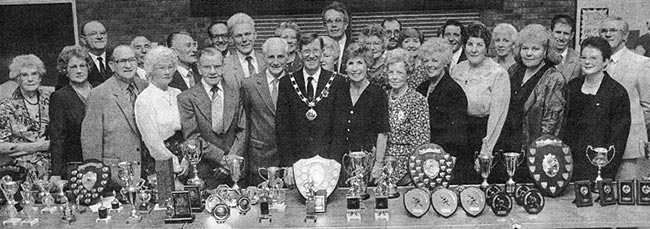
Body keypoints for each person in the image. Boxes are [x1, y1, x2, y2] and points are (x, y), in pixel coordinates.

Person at [493, 24, 566, 183]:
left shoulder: (554, 78)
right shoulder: (513, 70)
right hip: (506, 145)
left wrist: (537, 154)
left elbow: (552, 123)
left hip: (532, 150)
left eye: (535, 49)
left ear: (545, 51)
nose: (529, 53)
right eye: (525, 48)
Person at [561, 37, 630, 181]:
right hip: (570, 165)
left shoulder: (617, 92)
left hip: (599, 167)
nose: (587, 62)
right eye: (584, 57)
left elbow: (618, 138)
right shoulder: (573, 86)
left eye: (593, 58)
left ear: (605, 62)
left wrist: (606, 173)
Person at [178, 47, 247, 189]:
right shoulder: (187, 98)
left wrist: (232, 161)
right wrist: (222, 159)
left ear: (223, 66)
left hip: (235, 171)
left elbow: (242, 130)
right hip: (205, 173)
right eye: (207, 67)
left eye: (217, 66)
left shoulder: (235, 93)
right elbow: (193, 137)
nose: (213, 71)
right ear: (199, 68)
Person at [451, 22, 510, 184]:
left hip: (485, 135)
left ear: (486, 48)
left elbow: (498, 116)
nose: (474, 49)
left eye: (479, 45)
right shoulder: (457, 69)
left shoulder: (498, 73)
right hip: (461, 137)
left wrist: (486, 151)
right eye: (470, 44)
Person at [82, 45, 150, 182]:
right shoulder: (98, 94)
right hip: (116, 174)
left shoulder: (145, 87)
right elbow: (91, 141)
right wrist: (96, 177)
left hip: (147, 170)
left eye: (132, 60)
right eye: (122, 61)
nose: (128, 65)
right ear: (112, 66)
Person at [276, 33, 346, 166]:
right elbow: (282, 128)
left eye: (315, 51)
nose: (311, 55)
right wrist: (289, 165)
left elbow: (339, 127)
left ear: (322, 52)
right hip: (297, 161)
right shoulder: (287, 83)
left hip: (328, 160)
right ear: (300, 53)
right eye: (306, 51)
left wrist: (334, 162)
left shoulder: (337, 82)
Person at [600, 16, 650, 180]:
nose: (608, 34)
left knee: (626, 195)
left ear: (625, 36)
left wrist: (626, 128)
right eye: (604, 31)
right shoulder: (594, 62)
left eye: (613, 30)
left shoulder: (641, 63)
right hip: (599, 145)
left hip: (629, 147)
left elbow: (647, 106)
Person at [331, 43, 389, 182]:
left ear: (367, 65)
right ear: (345, 67)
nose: (355, 68)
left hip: (366, 163)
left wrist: (378, 164)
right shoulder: (338, 91)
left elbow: (382, 132)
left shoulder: (377, 93)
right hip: (338, 163)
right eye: (351, 63)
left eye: (360, 63)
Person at [135, 46, 188, 200]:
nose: (167, 72)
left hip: (185, 160)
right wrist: (175, 165)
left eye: (171, 67)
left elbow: (188, 130)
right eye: (161, 68)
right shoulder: (145, 100)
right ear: (150, 70)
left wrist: (187, 160)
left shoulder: (177, 93)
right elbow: (152, 142)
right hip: (161, 162)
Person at [414, 38, 468, 165]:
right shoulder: (421, 87)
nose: (429, 65)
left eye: (435, 60)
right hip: (424, 153)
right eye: (426, 61)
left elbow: (458, 131)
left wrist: (450, 158)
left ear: (445, 62)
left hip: (445, 156)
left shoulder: (454, 91)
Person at [242, 38, 287, 186]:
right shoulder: (250, 84)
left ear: (287, 57)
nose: (275, 62)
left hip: (287, 159)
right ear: (263, 57)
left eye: (280, 56)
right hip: (260, 158)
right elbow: (245, 122)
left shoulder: (295, 82)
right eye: (271, 57)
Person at [0, 54, 53, 179]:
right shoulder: (6, 106)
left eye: (34, 74)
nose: (30, 79)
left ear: (40, 77)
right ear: (17, 79)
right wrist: (35, 147)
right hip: (20, 170)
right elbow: (2, 146)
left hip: (52, 168)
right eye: (24, 75)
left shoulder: (52, 98)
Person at [384, 48, 430, 185]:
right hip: (382, 164)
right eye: (391, 72)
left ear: (408, 74)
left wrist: (409, 174)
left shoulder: (417, 100)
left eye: (399, 72)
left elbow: (421, 143)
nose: (394, 77)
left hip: (406, 169)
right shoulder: (383, 97)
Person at [49, 46, 93, 180]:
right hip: (76, 163)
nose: (79, 71)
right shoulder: (59, 97)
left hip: (104, 160)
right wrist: (56, 173)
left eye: (82, 66)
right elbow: (57, 137)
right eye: (73, 67)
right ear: (65, 71)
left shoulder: (100, 91)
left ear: (88, 67)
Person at [225, 13, 266, 79]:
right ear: (231, 39)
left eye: (247, 34)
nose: (244, 39)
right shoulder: (225, 65)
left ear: (255, 35)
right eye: (239, 36)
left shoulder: (266, 60)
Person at [76, 20, 113, 88]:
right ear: (83, 40)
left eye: (103, 33)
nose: (99, 37)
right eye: (93, 34)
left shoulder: (116, 57)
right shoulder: (77, 62)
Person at [322, 1, 352, 74]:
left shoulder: (354, 47)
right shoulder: (319, 47)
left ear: (345, 24)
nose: (334, 25)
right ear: (325, 26)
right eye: (329, 21)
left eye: (338, 20)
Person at [550, 15, 581, 81]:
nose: (561, 38)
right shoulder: (542, 57)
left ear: (571, 36)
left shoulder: (578, 59)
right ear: (551, 33)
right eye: (558, 32)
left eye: (566, 33)